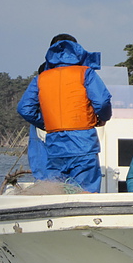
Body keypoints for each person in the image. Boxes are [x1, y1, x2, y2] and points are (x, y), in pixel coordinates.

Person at [17, 33, 112, 193]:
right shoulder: (85, 73)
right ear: (77, 50)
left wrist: (46, 123)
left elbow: (24, 108)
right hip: (83, 143)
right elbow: (102, 101)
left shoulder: (41, 78)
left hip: (55, 146)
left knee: (56, 192)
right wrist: (102, 118)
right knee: (85, 193)